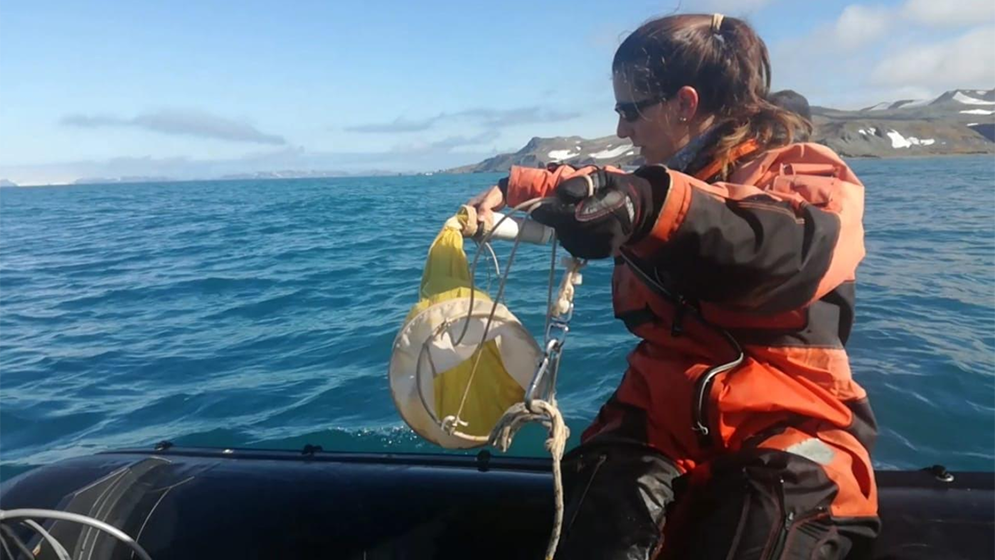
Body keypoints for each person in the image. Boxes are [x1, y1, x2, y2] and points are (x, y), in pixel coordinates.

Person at [468, 13, 878, 560]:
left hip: (788, 419)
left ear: (685, 104)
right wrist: (516, 183)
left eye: (629, 110)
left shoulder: (806, 174)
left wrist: (648, 207)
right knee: (597, 517)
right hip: (659, 414)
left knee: (765, 517)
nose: (622, 131)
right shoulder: (663, 175)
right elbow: (602, 183)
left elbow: (790, 248)